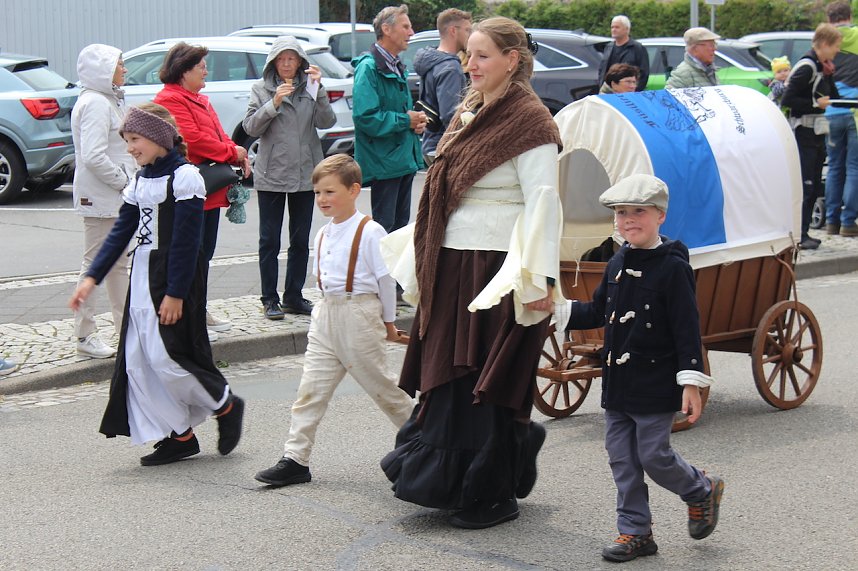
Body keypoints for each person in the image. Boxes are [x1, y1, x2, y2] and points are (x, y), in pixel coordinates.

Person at [380, 17, 563, 530]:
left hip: (497, 267)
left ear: (512, 59)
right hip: (454, 260)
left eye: (482, 55)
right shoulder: (472, 108)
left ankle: (493, 492)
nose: (471, 64)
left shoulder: (532, 121)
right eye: (469, 55)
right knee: (450, 375)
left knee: (483, 380)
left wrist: (541, 280)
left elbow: (544, 203)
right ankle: (462, 480)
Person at [69, 103, 245, 466]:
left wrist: (176, 293)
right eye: (127, 140)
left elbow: (186, 242)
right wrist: (91, 278)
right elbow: (120, 233)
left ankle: (224, 403)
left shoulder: (185, 178)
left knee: (167, 357)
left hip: (174, 275)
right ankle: (180, 435)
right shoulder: (141, 179)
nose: (130, 147)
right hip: (143, 275)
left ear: (158, 138)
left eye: (134, 139)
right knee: (138, 359)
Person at [565, 174, 723, 563]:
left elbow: (688, 328)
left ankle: (700, 488)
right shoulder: (617, 261)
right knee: (621, 457)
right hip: (619, 383)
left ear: (660, 216)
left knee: (653, 455)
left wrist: (690, 382)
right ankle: (635, 532)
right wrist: (555, 310)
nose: (627, 220)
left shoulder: (672, 267)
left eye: (638, 211)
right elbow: (597, 310)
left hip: (655, 381)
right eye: (620, 213)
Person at [254, 154, 415, 487]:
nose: (322, 200)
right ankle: (295, 458)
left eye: (330, 192)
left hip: (359, 314)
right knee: (310, 391)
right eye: (317, 193)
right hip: (326, 314)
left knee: (384, 389)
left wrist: (387, 321)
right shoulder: (323, 234)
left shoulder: (370, 231)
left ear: (354, 190)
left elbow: (386, 281)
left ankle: (427, 442)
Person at [153, 42, 251, 338]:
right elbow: (192, 139)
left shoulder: (199, 98)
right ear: (183, 71)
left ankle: (199, 308)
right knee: (190, 253)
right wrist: (231, 152)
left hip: (207, 187)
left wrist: (237, 152)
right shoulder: (170, 100)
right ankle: (190, 313)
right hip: (189, 188)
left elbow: (217, 132)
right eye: (201, 67)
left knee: (204, 253)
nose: (206, 71)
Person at [242, 36, 337, 320]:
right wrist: (273, 103)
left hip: (306, 172)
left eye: (292, 59)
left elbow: (326, 122)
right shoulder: (261, 88)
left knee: (300, 238)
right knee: (269, 239)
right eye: (281, 59)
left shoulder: (310, 87)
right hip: (272, 172)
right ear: (273, 62)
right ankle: (269, 298)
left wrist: (319, 91)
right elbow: (250, 126)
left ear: (300, 62)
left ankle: (293, 296)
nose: (286, 64)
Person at [71, 44, 136, 359]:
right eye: (119, 64)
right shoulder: (96, 103)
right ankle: (85, 334)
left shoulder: (108, 100)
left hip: (112, 196)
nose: (124, 69)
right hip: (101, 197)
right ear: (103, 69)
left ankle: (125, 329)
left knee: (118, 265)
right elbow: (94, 155)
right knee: (95, 264)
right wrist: (124, 181)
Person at [352, 4, 426, 233]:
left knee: (400, 230)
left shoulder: (395, 65)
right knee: (385, 232)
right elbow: (366, 117)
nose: (411, 33)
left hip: (401, 160)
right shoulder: (369, 68)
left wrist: (416, 123)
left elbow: (395, 111)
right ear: (386, 29)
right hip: (385, 163)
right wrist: (406, 120)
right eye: (406, 26)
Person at [782, 23, 842, 250]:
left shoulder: (823, 66)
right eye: (836, 46)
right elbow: (788, 100)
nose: (837, 51)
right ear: (824, 44)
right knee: (805, 184)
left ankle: (804, 231)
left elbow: (833, 96)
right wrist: (816, 103)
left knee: (815, 183)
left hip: (817, 133)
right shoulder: (807, 67)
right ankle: (798, 234)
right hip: (803, 132)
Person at [414, 8, 472, 165]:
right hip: (444, 147)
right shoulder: (450, 68)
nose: (470, 35)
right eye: (467, 30)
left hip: (430, 142)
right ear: (453, 30)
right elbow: (451, 116)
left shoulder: (432, 60)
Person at [825, 1, 858, 237]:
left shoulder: (824, 39)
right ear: (850, 15)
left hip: (831, 111)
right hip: (855, 111)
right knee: (854, 167)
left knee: (834, 167)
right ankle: (848, 222)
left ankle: (830, 220)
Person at [597, 15, 649, 91]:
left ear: (627, 29)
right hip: (609, 93)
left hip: (628, 95)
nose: (614, 30)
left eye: (617, 27)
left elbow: (644, 74)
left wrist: (633, 92)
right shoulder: (609, 47)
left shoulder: (637, 48)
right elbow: (602, 70)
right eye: (612, 27)